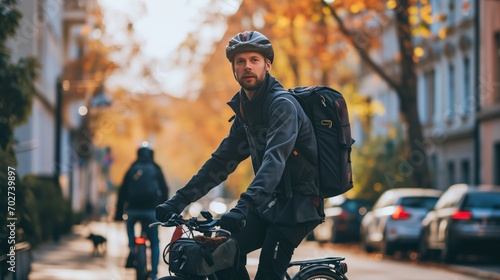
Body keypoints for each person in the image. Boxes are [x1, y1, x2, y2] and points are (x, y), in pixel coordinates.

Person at [156, 30, 324, 279]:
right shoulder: (246, 112)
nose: (247, 67)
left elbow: (274, 160)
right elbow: (221, 162)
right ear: (233, 68)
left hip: (297, 205)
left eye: (254, 60)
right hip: (268, 203)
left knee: (268, 272)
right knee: (220, 257)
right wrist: (178, 201)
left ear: (267, 65)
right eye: (240, 61)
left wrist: (244, 206)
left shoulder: (283, 106)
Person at [115, 145, 169, 280]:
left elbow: (122, 192)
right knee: (155, 242)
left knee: (130, 225)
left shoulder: (131, 169)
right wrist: (165, 211)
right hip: (151, 211)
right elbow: (164, 190)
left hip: (132, 210)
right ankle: (154, 273)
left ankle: (132, 248)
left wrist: (118, 214)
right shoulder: (156, 169)